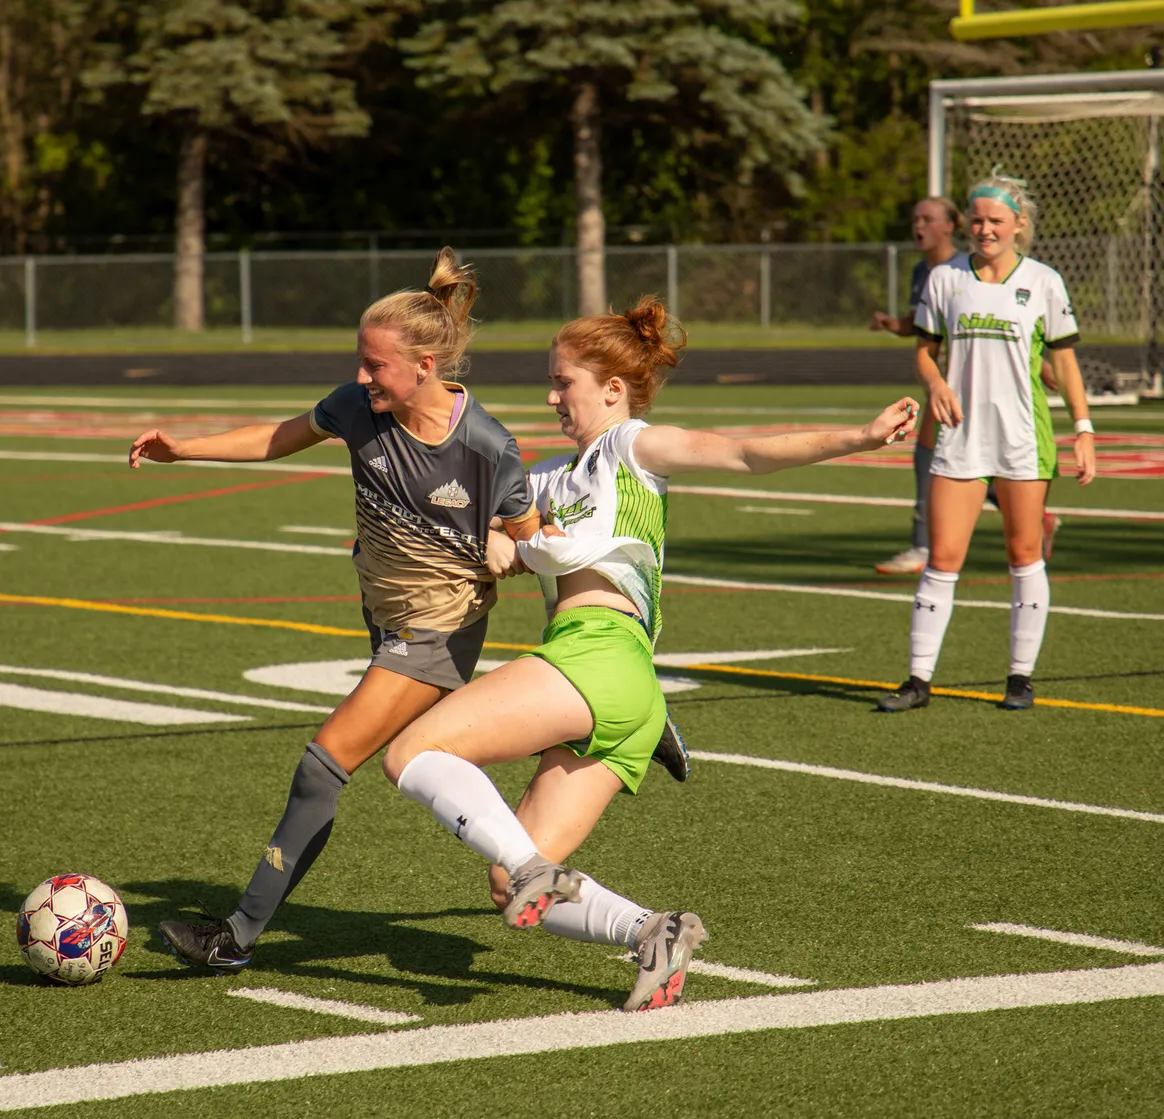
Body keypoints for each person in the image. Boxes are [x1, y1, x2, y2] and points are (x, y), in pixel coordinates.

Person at [381, 296, 919, 1011]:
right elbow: (466, 519)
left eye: (562, 380)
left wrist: (860, 434)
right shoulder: (541, 477)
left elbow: (741, 451)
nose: (550, 395)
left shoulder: (629, 445)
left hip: (599, 655)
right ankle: (653, 932)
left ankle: (546, 872)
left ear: (612, 389)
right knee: (510, 883)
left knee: (410, 753)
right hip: (625, 694)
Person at [127, 248, 547, 972]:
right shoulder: (359, 407)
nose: (360, 376)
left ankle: (237, 935)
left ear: (423, 366)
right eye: (360, 360)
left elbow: (543, 548)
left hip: (438, 633)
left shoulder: (486, 445)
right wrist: (184, 449)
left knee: (325, 764)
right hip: (387, 622)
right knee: (430, 760)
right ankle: (589, 740)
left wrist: (508, 541)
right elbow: (282, 434)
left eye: (375, 364)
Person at [877, 172, 1096, 714]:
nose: (984, 229)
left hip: (1023, 436)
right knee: (942, 558)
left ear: (1019, 225)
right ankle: (918, 680)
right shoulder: (945, 278)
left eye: (996, 220)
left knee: (1024, 555)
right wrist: (935, 383)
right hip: (960, 437)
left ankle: (1020, 678)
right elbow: (926, 350)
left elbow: (1064, 364)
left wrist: (1084, 429)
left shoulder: (1044, 281)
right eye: (977, 219)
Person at [870, 197, 1060, 575]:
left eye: (927, 218)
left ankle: (923, 546)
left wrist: (1043, 369)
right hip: (942, 384)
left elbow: (1001, 326)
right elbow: (923, 327)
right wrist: (894, 325)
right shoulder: (924, 272)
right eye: (915, 218)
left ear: (949, 226)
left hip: (971, 388)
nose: (918, 225)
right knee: (958, 461)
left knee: (934, 458)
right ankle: (1035, 518)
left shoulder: (963, 270)